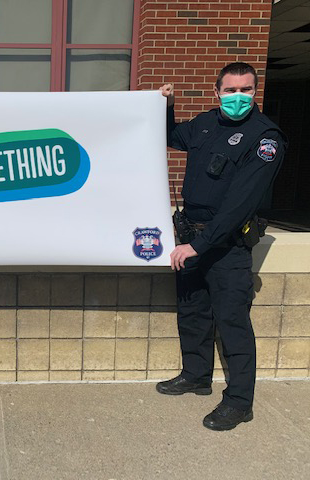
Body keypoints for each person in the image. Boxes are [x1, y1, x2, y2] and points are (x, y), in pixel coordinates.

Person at [156, 63, 286, 431]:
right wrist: (165, 104)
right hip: (192, 239)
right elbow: (166, 134)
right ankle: (196, 376)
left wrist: (198, 245)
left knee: (232, 323)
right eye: (230, 90)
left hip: (225, 245)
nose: (238, 97)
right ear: (217, 92)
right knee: (193, 311)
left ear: (255, 91)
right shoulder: (204, 123)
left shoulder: (265, 138)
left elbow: (240, 204)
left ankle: (240, 402)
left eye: (246, 89)